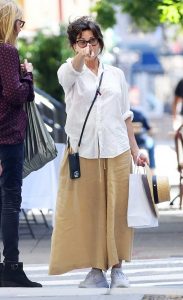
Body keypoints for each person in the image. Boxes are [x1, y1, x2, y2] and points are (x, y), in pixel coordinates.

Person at [49, 16, 148, 288]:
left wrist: (135, 150)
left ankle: (118, 269)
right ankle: (95, 270)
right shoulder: (69, 71)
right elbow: (70, 73)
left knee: (118, 212)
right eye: (81, 41)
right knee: (90, 212)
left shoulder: (116, 74)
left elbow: (125, 115)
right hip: (85, 152)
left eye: (92, 40)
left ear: (100, 41)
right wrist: (81, 57)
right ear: (73, 45)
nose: (88, 46)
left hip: (116, 150)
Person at [0, 0, 42, 287]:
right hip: (8, 136)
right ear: (10, 22)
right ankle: (11, 267)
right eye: (20, 22)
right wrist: (28, 76)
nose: (20, 27)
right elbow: (16, 95)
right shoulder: (7, 51)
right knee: (11, 200)